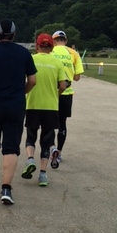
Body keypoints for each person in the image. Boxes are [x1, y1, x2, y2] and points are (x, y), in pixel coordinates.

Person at [0, 19, 37, 205]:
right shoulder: (24, 52)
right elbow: (33, 80)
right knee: (11, 146)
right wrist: (21, 92)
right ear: (14, 34)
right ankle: (6, 189)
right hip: (15, 105)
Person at [21, 33, 68, 186]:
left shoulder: (31, 59)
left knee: (31, 136)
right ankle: (42, 175)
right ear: (52, 47)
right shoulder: (57, 63)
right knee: (46, 141)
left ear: (37, 46)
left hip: (33, 104)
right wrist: (55, 94)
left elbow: (25, 79)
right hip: (50, 106)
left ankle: (30, 159)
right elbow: (63, 85)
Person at [51, 30, 84, 167]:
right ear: (66, 40)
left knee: (49, 123)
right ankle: (59, 152)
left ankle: (51, 147)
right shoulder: (73, 53)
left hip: (52, 92)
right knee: (62, 123)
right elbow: (77, 77)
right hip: (67, 93)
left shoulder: (50, 51)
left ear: (53, 41)